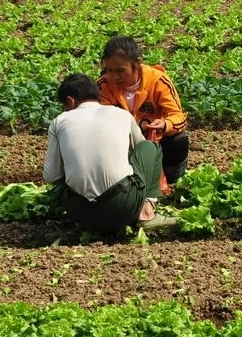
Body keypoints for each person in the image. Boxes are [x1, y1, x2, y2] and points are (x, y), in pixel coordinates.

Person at [43, 73, 176, 234]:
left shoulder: (59, 121)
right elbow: (140, 149)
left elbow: (51, 176)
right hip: (122, 208)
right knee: (149, 147)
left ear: (70, 101)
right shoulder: (121, 114)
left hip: (80, 213)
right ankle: (146, 214)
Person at [97, 35, 190, 186]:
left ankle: (172, 181)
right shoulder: (104, 85)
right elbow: (101, 121)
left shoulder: (158, 80)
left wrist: (165, 124)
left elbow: (178, 116)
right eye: (109, 70)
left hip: (155, 144)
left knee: (178, 141)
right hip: (123, 146)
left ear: (137, 64)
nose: (114, 76)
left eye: (121, 70)